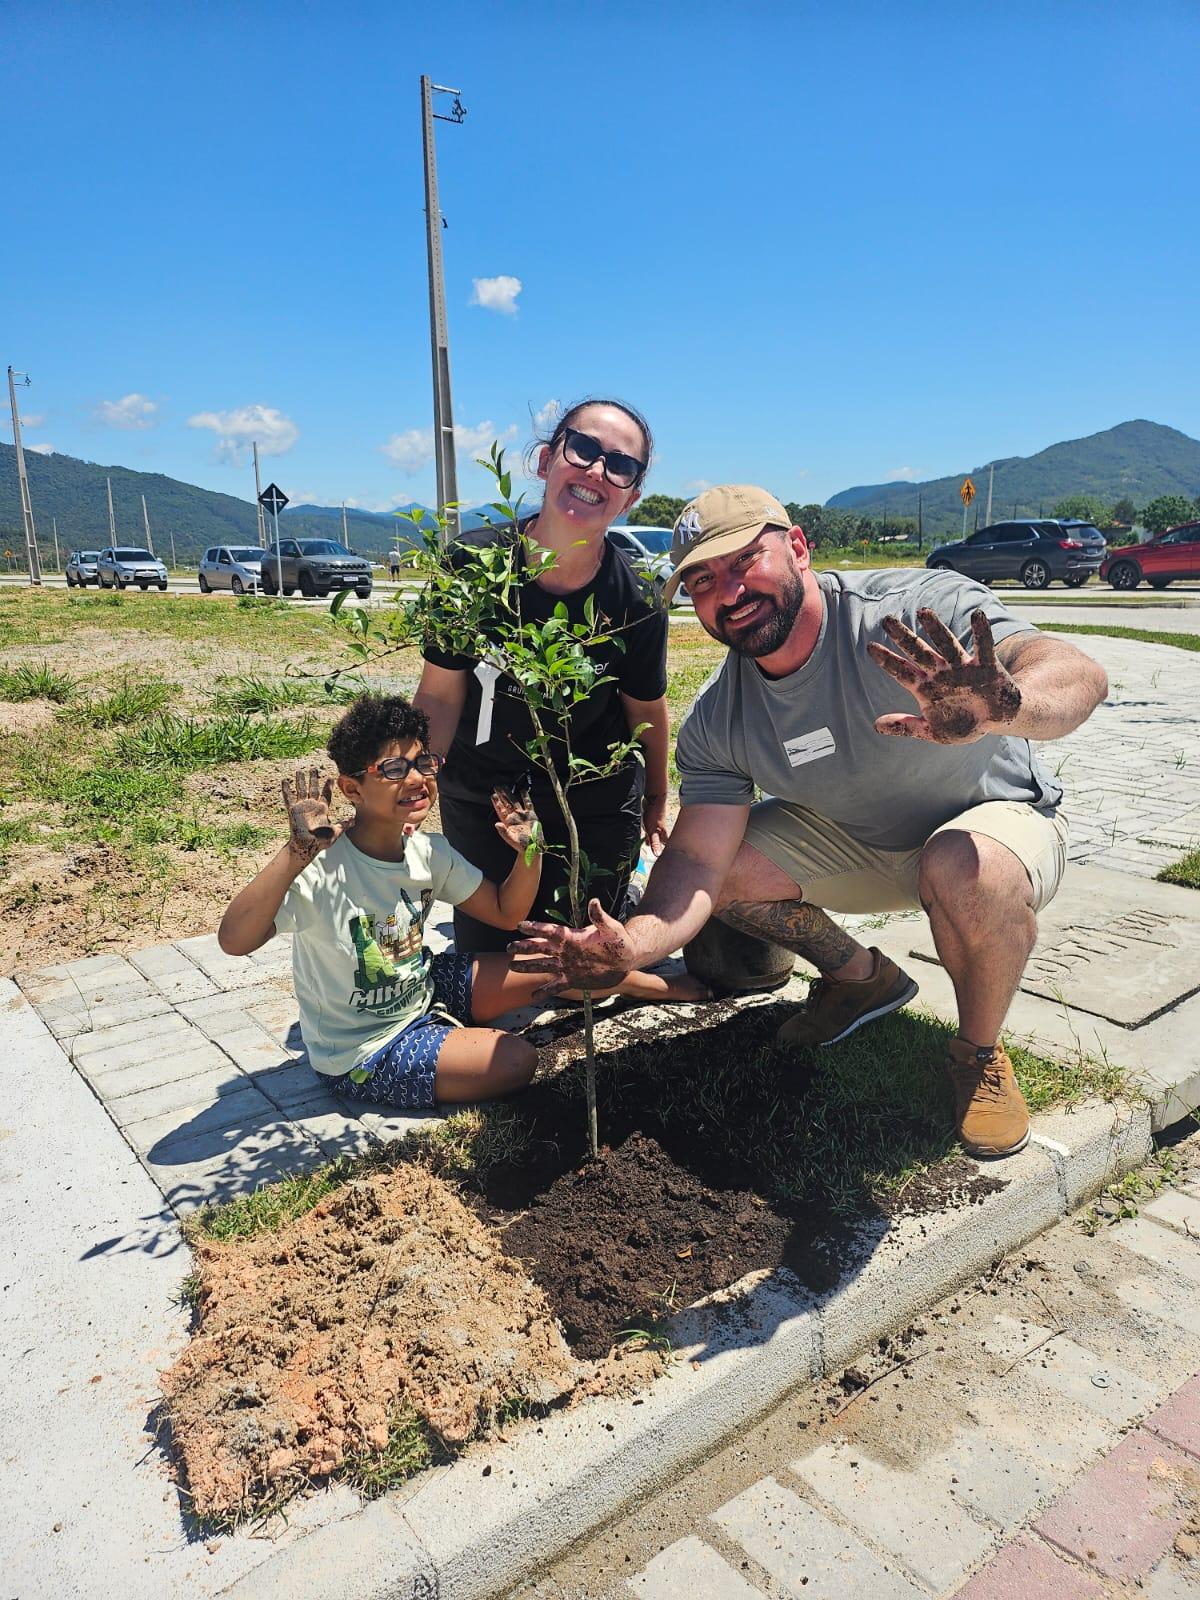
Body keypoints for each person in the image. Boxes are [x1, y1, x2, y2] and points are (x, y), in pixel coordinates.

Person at [511, 484, 1109, 1160]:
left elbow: (1078, 672)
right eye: (702, 581)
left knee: (964, 868)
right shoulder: (719, 718)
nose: (728, 592)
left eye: (744, 561)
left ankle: (978, 1054)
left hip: (993, 822)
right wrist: (634, 947)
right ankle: (861, 981)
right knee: (723, 871)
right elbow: (699, 862)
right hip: (859, 842)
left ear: (798, 547)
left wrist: (1007, 707)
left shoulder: (910, 612)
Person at [217, 694, 702, 1113]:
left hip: (424, 984)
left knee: (553, 962)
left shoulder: (429, 853)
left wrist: (530, 851)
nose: (416, 779)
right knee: (515, 1060)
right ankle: (445, 1039)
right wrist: (295, 854)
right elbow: (234, 941)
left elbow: (505, 913)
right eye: (393, 769)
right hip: (365, 1052)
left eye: (423, 763)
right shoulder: (323, 868)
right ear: (351, 789)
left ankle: (654, 986)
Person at [414, 398, 670, 955]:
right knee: (499, 960)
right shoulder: (471, 568)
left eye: (620, 465)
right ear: (547, 459)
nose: (597, 470)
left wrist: (655, 795)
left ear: (631, 495)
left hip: (593, 798)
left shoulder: (637, 600)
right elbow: (440, 694)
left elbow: (646, 710)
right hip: (486, 798)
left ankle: (627, 894)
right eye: (583, 449)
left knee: (581, 965)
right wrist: (415, 776)